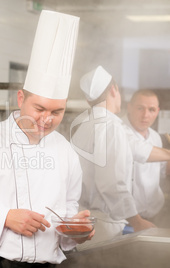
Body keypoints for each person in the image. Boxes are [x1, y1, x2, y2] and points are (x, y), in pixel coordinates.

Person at [0, 11, 94, 268]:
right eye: (39, 109)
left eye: (56, 112)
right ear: (20, 99)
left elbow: (69, 206)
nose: (47, 119)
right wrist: (5, 217)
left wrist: (74, 230)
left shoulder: (65, 151)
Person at [70, 66, 170, 249]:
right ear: (114, 89)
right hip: (105, 226)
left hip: (86, 222)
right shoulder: (111, 126)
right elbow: (112, 184)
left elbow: (138, 149)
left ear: (87, 99)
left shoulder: (85, 125)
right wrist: (137, 220)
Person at [123, 89, 167, 223]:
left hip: (155, 213)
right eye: (140, 108)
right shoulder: (118, 131)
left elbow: (162, 173)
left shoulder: (155, 137)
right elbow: (139, 151)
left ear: (157, 112)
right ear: (129, 107)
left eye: (151, 110)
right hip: (127, 218)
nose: (145, 115)